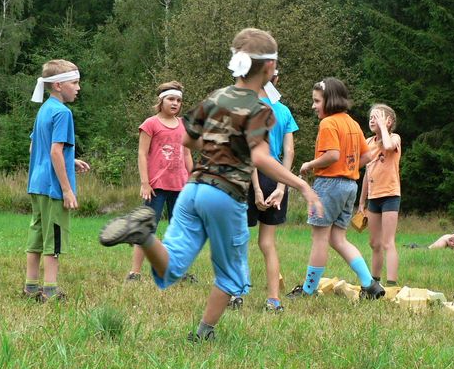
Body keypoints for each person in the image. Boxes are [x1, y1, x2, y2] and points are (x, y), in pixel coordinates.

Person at [99, 28, 323, 341]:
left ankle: (144, 236)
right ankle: (204, 332)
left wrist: (218, 143)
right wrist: (301, 185)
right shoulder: (259, 109)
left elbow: (187, 140)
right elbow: (260, 157)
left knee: (171, 268)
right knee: (233, 276)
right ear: (270, 67)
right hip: (224, 194)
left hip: (193, 189)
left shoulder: (215, 97)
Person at [287, 78, 385, 300]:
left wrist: (309, 165)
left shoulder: (328, 123)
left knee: (320, 238)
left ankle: (308, 290)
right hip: (350, 186)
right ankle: (369, 284)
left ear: (329, 100)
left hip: (329, 185)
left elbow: (332, 155)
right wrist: (348, 167)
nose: (313, 106)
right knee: (338, 239)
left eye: (317, 101)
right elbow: (367, 156)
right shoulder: (352, 123)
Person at [229, 69, 298, 312]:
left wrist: (256, 189)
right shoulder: (284, 110)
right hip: (276, 177)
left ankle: (236, 294)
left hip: (249, 178)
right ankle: (273, 300)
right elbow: (289, 152)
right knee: (267, 243)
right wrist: (281, 187)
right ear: (275, 80)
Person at [24, 59, 90, 302]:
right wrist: (67, 189)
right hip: (53, 188)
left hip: (37, 183)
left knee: (37, 235)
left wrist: (70, 160)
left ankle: (31, 287)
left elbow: (35, 148)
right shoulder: (63, 113)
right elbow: (54, 152)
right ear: (59, 85)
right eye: (75, 83)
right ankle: (50, 292)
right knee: (54, 237)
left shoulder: (44, 109)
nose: (78, 88)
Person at [125, 81, 193, 282]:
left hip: (180, 185)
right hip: (156, 186)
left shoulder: (184, 125)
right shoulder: (150, 124)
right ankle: (135, 272)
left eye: (178, 100)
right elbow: (142, 153)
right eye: (171, 99)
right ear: (161, 101)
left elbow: (187, 154)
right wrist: (145, 183)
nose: (175, 103)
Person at [358, 104, 401, 285]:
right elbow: (367, 172)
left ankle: (391, 284)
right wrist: (362, 201)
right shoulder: (368, 142)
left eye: (377, 117)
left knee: (387, 242)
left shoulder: (394, 138)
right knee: (374, 243)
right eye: (371, 117)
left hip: (390, 195)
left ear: (388, 121)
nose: (372, 120)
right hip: (373, 197)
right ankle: (374, 282)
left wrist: (383, 127)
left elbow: (389, 147)